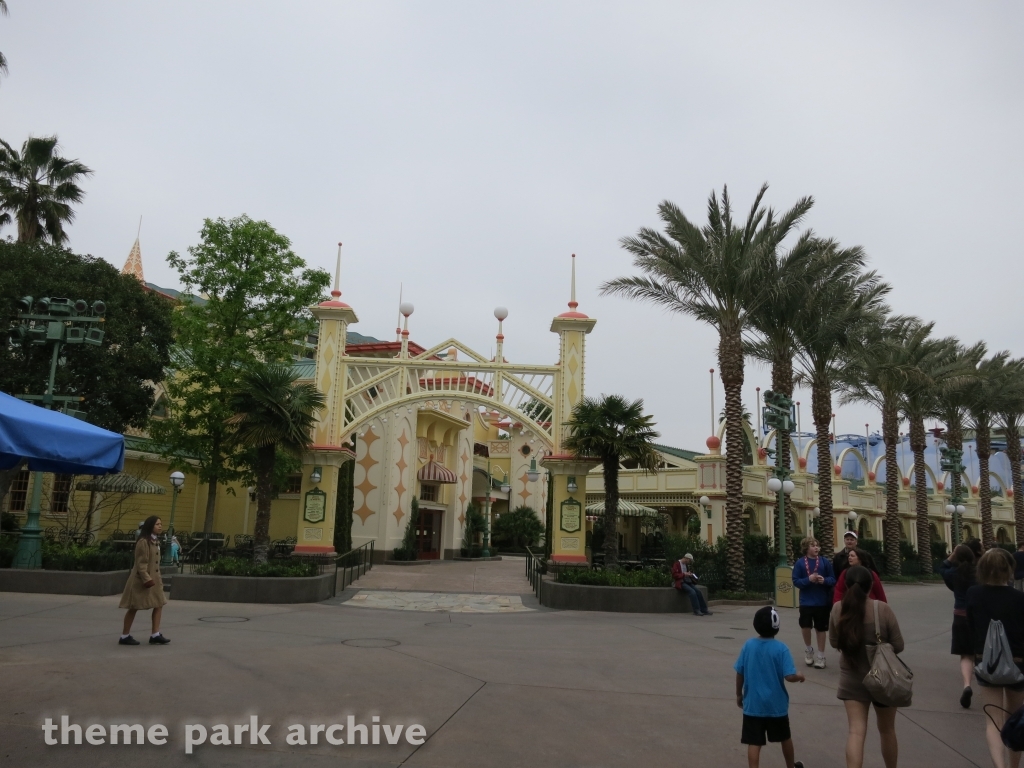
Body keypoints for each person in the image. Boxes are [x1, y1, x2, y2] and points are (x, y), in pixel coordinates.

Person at [829, 565, 904, 768]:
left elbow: (834, 642)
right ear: (871, 585)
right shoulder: (882, 609)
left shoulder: (838, 609)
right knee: (887, 730)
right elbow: (899, 645)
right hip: (884, 678)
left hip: (852, 678)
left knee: (855, 731)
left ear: (846, 585)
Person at [967, 548, 1024, 768]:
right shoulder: (1019, 598)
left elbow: (971, 626)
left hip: (986, 662)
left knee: (993, 720)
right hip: (1018, 663)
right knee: (1015, 719)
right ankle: (1014, 766)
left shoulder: (974, 594)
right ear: (1009, 569)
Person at [734, 606, 805, 768]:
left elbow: (740, 673)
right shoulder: (781, 648)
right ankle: (791, 766)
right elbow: (789, 676)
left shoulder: (748, 646)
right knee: (784, 737)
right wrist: (799, 676)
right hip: (776, 706)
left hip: (753, 705)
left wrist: (739, 694)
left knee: (754, 742)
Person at [118, 515, 170, 646]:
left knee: (159, 604)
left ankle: (155, 634)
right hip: (141, 581)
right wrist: (147, 579)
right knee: (134, 607)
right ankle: (124, 636)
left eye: (161, 524)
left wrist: (157, 580)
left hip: (154, 580)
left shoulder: (154, 540)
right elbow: (141, 564)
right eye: (157, 524)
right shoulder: (143, 542)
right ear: (150, 526)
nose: (160, 526)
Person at [939, 544, 978, 708]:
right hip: (978, 617)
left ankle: (967, 685)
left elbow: (942, 568)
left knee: (966, 655)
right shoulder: (978, 573)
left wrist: (953, 554)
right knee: (981, 652)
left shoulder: (953, 574)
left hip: (960, 617)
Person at [792, 537, 835, 669]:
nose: (816, 548)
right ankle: (809, 650)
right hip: (806, 601)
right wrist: (808, 579)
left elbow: (833, 579)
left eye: (817, 545)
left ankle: (821, 656)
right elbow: (795, 581)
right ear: (806, 548)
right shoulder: (800, 563)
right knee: (805, 626)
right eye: (813, 545)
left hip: (822, 602)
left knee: (821, 629)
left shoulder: (824, 562)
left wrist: (824, 580)